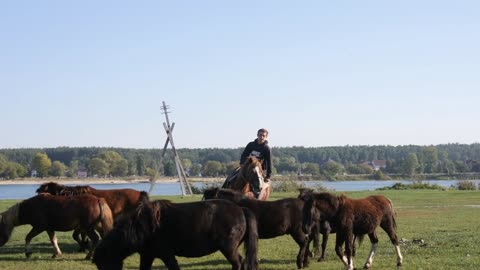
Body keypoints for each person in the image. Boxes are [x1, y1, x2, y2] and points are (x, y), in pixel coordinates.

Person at [239, 128, 272, 197]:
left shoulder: (267, 148)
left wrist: (268, 175)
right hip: (247, 167)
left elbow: (269, 163)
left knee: (258, 182)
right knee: (233, 175)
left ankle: (258, 197)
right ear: (257, 135)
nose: (261, 137)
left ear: (266, 137)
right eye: (260, 135)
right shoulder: (251, 145)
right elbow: (244, 154)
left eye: (263, 136)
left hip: (259, 169)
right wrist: (242, 163)